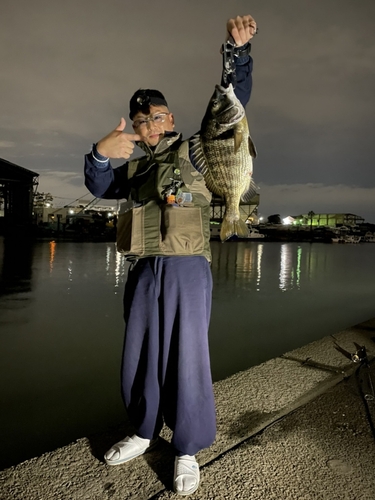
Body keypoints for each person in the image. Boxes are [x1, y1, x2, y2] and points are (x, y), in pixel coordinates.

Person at [84, 14, 257, 496]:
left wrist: (235, 53)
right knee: (139, 356)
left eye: (156, 117)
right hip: (142, 270)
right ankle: (143, 431)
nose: (148, 125)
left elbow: (232, 107)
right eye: (140, 120)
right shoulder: (133, 166)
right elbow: (98, 183)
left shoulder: (198, 148)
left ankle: (186, 446)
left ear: (171, 120)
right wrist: (102, 152)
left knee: (188, 358)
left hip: (188, 269)